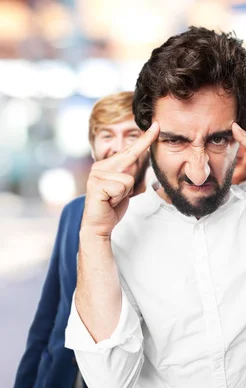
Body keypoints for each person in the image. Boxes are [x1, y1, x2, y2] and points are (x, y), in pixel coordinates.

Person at [64, 26, 246, 387]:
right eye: (176, 141)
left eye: (218, 140)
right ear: (146, 139)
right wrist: (95, 236)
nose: (199, 171)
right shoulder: (118, 229)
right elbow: (108, 378)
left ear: (243, 139)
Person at [14, 91, 150, 388]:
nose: (118, 148)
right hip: (64, 375)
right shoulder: (75, 211)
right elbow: (50, 312)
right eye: (106, 136)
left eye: (131, 135)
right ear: (93, 147)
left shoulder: (163, 217)